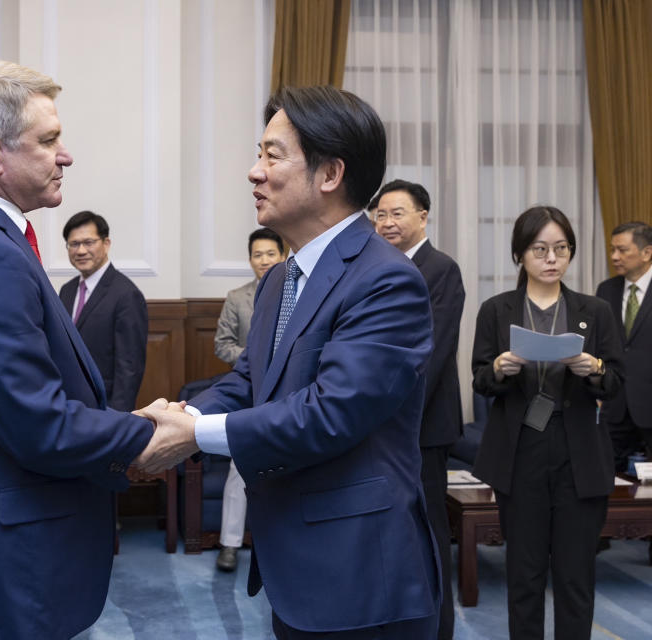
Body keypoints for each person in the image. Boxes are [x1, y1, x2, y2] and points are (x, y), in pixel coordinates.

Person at [137, 86, 440, 639]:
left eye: (272, 155)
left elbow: (331, 412)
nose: (254, 172)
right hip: (296, 560)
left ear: (329, 174)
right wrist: (176, 416)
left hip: (361, 574)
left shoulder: (386, 279)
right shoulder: (281, 278)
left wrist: (194, 432)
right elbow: (253, 381)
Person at [0, 61, 155, 640]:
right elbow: (39, 424)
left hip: (6, 548)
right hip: (5, 561)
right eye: (48, 141)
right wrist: (152, 435)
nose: (65, 155)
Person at [471, 206, 623, 639]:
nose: (551, 258)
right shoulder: (496, 310)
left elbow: (615, 383)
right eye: (540, 249)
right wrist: (500, 367)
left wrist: (593, 368)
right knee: (524, 572)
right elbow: (480, 379)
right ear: (520, 254)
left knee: (576, 575)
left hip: (578, 448)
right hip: (520, 450)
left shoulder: (594, 311)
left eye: (561, 249)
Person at [372, 178, 464, 640]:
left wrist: (383, 412)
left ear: (423, 217)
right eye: (381, 214)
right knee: (389, 537)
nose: (387, 223)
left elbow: (433, 353)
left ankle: (438, 631)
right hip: (377, 427)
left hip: (422, 428)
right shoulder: (373, 268)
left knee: (428, 537)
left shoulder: (441, 269)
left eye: (398, 213)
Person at [213, 227, 284, 572]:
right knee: (237, 469)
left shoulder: (296, 293)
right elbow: (221, 344)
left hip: (288, 395)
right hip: (249, 393)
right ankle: (229, 544)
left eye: (271, 253)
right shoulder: (236, 297)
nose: (264, 260)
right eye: (258, 255)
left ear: (282, 255)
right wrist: (256, 357)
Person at [595, 222, 652, 479]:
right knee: (606, 479)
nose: (614, 257)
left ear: (646, 252)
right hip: (615, 406)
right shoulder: (606, 290)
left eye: (621, 250)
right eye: (612, 249)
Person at [59, 211, 148, 412]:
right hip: (69, 404)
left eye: (89, 242)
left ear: (106, 243)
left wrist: (118, 418)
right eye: (74, 244)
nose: (81, 250)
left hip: (105, 407)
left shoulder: (127, 294)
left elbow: (130, 368)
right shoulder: (67, 290)